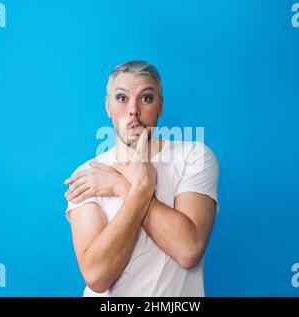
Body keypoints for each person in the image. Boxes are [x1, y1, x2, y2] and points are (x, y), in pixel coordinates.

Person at [63, 61, 219, 296]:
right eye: (122, 98)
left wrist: (123, 187)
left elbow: (188, 250)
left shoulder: (194, 157)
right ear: (108, 106)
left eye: (146, 98)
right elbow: (96, 275)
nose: (133, 110)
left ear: (160, 106)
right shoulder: (90, 173)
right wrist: (142, 187)